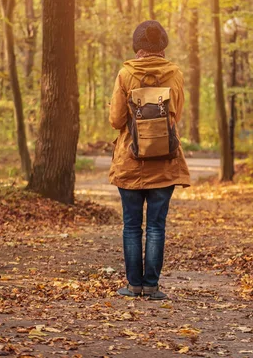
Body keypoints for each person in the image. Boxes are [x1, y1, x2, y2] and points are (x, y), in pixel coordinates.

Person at [109, 20, 191, 300]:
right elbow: (176, 115)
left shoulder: (125, 74)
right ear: (162, 46)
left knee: (132, 226)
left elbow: (116, 120)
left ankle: (133, 286)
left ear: (137, 47)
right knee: (157, 226)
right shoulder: (175, 73)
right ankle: (152, 287)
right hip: (164, 161)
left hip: (130, 162)